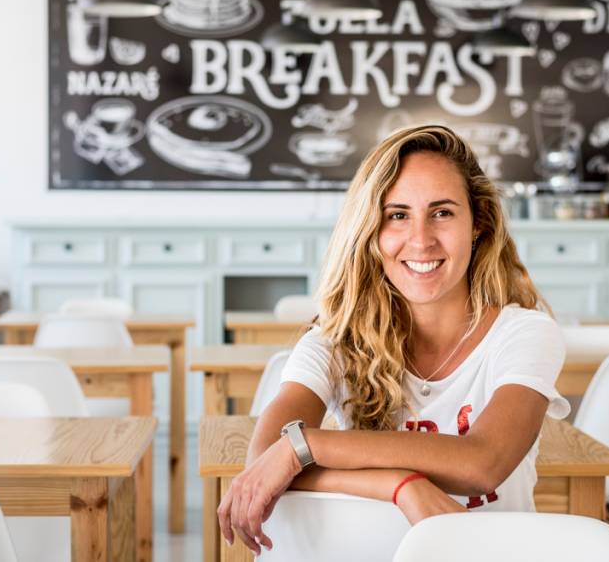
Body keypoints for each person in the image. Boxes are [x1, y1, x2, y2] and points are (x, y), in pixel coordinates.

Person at [217, 125, 569, 554]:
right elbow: (263, 463)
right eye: (397, 215)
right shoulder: (332, 341)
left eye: (442, 212)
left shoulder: (525, 334)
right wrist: (401, 485)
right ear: (370, 232)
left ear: (478, 224)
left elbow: (484, 464)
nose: (421, 240)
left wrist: (305, 447)